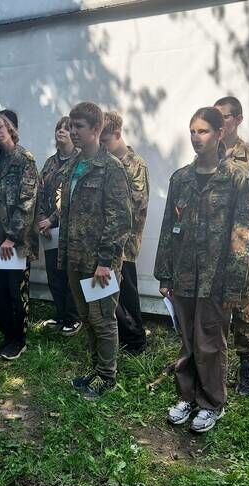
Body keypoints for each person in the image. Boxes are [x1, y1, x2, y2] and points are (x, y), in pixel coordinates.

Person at [155, 107, 249, 433]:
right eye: (193, 132)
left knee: (210, 342)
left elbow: (241, 233)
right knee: (187, 339)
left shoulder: (236, 177)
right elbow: (168, 228)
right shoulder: (181, 178)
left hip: (216, 278)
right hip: (184, 273)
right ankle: (186, 396)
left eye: (204, 131)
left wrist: (234, 284)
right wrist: (164, 274)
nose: (197, 138)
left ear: (219, 133)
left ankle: (211, 403)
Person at [60, 102, 132, 398]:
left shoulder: (111, 168)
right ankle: (96, 369)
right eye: (71, 126)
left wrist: (105, 261)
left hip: (99, 264)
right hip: (76, 259)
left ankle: (107, 376)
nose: (73, 132)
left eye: (79, 126)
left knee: (103, 319)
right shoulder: (73, 164)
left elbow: (120, 219)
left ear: (96, 129)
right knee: (87, 317)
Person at [214, 96, 249, 395]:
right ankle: (213, 362)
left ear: (238, 119)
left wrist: (243, 227)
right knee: (214, 301)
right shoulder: (209, 152)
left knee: (242, 301)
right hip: (210, 240)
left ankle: (246, 365)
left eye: (225, 116)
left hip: (240, 239)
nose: (220, 121)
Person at [0, 113, 39, 360]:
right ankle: (7, 336)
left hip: (14, 242)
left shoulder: (24, 159)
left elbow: (27, 202)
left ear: (9, 128)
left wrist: (12, 237)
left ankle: (19, 340)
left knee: (16, 293)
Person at [100, 111, 149, 354]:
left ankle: (136, 341)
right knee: (108, 292)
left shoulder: (135, 164)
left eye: (105, 140)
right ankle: (117, 335)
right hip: (105, 241)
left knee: (126, 293)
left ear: (117, 134)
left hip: (125, 244)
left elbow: (136, 206)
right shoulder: (104, 162)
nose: (102, 146)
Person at [37, 116, 81, 335]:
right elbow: (39, 190)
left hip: (71, 229)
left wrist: (52, 219)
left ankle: (73, 317)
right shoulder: (50, 163)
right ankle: (60, 313)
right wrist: (41, 219)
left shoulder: (80, 161)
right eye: (58, 128)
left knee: (70, 274)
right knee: (54, 273)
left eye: (66, 128)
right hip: (49, 230)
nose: (61, 131)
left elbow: (72, 197)